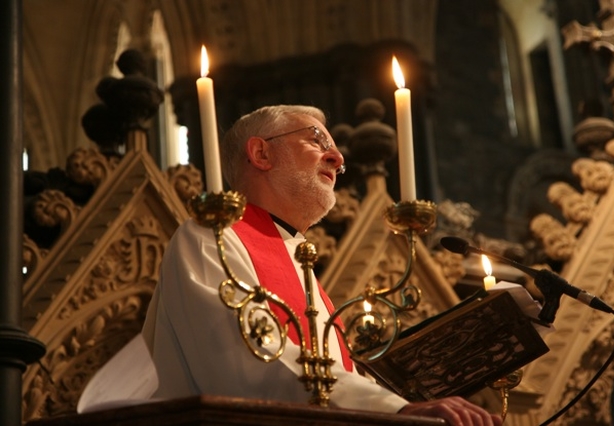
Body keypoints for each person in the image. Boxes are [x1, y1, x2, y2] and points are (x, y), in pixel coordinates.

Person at [141, 105, 502, 426]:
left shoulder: (298, 257)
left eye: (335, 151)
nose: (337, 159)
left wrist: (412, 400)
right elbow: (249, 359)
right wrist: (392, 410)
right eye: (317, 141)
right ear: (261, 153)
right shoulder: (212, 237)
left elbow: (336, 376)